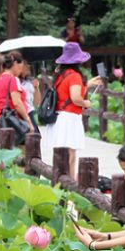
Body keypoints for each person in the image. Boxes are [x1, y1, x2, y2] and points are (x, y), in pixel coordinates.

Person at [43, 42, 101, 175]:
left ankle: (61, 182)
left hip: (60, 116)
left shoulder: (61, 75)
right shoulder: (75, 76)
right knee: (71, 155)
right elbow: (75, 98)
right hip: (69, 118)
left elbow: (67, 94)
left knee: (60, 155)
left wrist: (88, 85)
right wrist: (86, 103)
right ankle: (71, 184)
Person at [0, 51, 34, 135]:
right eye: (20, 68)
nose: (20, 71)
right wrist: (28, 120)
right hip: (16, 121)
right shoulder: (13, 79)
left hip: (4, 119)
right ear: (15, 64)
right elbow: (17, 103)